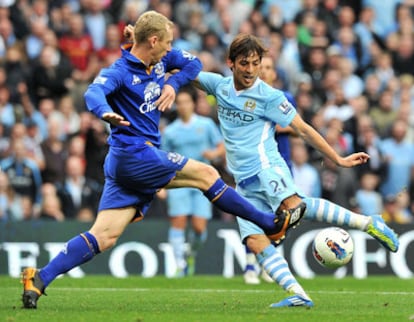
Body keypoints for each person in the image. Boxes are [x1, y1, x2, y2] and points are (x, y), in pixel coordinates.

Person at [20, 11, 297, 309]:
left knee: (103, 235)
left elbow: (195, 63)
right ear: (153, 40)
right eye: (166, 43)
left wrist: (172, 85)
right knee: (205, 173)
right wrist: (104, 112)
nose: (169, 48)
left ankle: (39, 278)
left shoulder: (160, 60)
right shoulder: (120, 71)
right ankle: (270, 224)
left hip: (128, 162)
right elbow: (93, 92)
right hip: (134, 153)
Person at [193, 33, 399, 307]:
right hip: (242, 180)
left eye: (256, 63)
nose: (251, 70)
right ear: (230, 63)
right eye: (245, 63)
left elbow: (303, 128)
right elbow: (185, 71)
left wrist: (337, 158)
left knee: (295, 207)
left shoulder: (270, 96)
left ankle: (369, 223)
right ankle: (298, 294)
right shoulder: (218, 86)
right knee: (255, 241)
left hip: (266, 168)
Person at [162, 85, 225, 277]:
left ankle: (191, 253)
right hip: (179, 181)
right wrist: (161, 186)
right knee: (178, 221)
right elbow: (163, 158)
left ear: (193, 104)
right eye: (179, 103)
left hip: (202, 182)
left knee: (199, 227)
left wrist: (213, 153)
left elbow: (221, 147)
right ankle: (180, 265)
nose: (183, 106)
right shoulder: (171, 132)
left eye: (186, 102)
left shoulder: (205, 125)